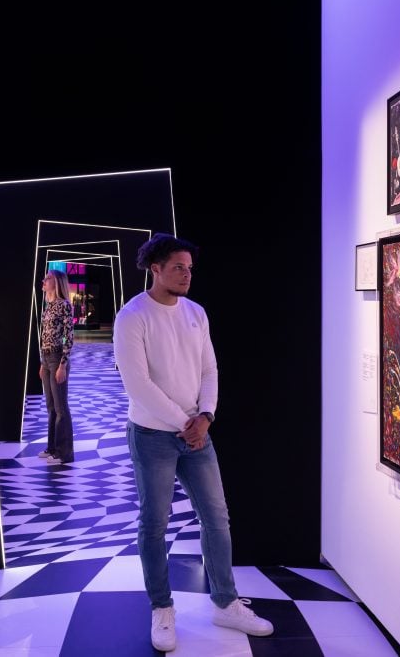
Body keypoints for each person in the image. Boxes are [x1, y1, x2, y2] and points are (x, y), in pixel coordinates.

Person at [113, 233, 273, 653]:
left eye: (189, 268)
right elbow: (137, 384)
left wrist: (205, 417)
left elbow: (209, 369)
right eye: (178, 268)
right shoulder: (132, 316)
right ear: (155, 269)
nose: (186, 275)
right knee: (155, 524)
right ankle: (162, 609)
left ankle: (225, 602)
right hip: (152, 435)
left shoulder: (196, 313)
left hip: (196, 432)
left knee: (217, 518)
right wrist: (186, 421)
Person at [37, 269, 75, 465]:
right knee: (51, 407)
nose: (44, 281)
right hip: (47, 358)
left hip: (58, 358)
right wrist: (43, 362)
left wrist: (62, 365)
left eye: (48, 278)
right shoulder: (48, 306)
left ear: (57, 282)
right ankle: (52, 448)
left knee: (61, 408)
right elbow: (45, 337)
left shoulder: (64, 305)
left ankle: (64, 453)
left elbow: (68, 337)